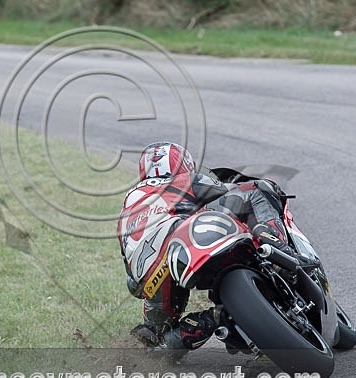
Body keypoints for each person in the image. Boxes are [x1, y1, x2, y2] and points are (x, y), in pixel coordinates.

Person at [117, 141, 299, 354]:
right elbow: (226, 192)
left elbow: (132, 283)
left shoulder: (127, 208)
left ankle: (211, 319)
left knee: (157, 340)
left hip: (151, 280)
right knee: (256, 190)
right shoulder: (184, 180)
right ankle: (277, 246)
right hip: (182, 242)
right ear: (184, 164)